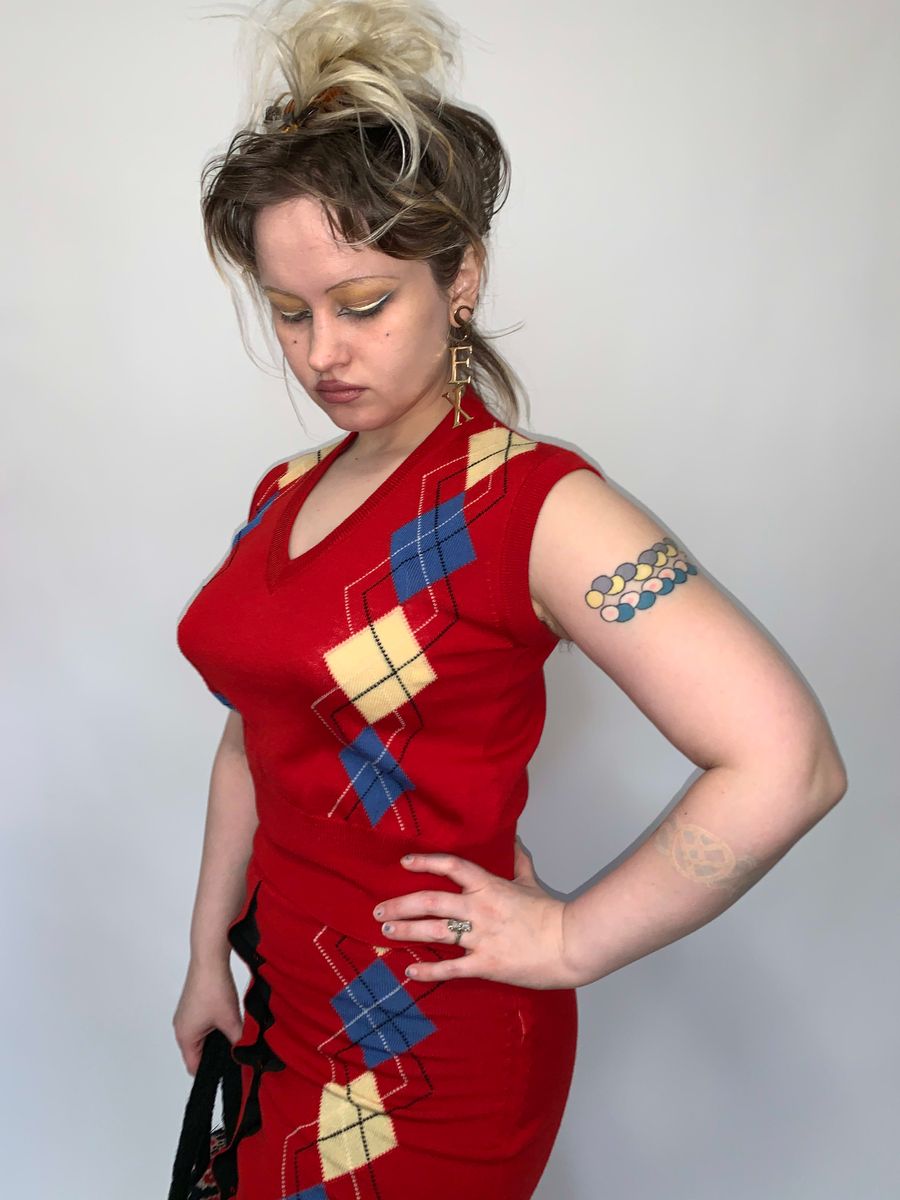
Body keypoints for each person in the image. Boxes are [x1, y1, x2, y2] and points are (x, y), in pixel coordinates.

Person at [170, 2, 848, 1197]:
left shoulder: (536, 507)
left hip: (429, 1047)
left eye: (363, 303)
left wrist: (571, 935)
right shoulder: (284, 493)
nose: (322, 351)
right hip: (282, 1007)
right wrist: (203, 954)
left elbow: (787, 763)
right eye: (289, 311)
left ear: (462, 278)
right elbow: (254, 733)